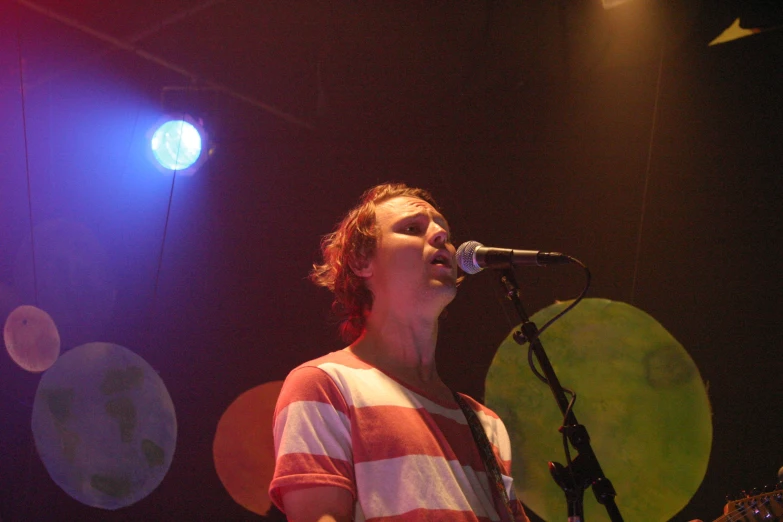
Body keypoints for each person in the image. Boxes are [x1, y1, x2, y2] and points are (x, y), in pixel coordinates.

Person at [269, 183, 530, 522]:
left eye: (445, 232)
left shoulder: (484, 424)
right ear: (362, 260)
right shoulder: (323, 386)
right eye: (412, 229)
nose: (440, 237)